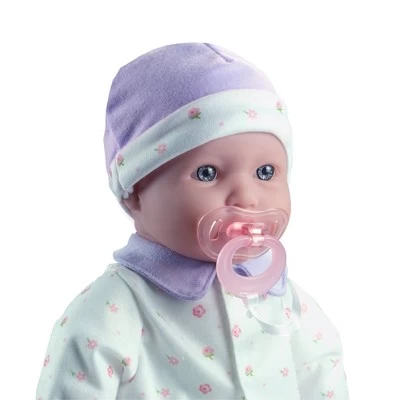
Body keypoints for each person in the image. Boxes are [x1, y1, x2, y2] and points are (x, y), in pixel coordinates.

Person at [36, 43, 349, 399]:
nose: (247, 197)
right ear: (135, 191)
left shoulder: (279, 297)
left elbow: (321, 367)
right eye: (207, 173)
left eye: (265, 172)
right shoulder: (115, 309)